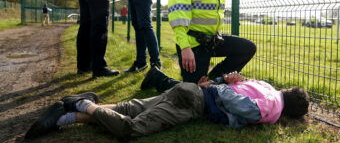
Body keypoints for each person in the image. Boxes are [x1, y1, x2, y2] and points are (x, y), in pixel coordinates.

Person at [24, 69, 309, 140]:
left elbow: (237, 87)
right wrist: (218, 89)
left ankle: (65, 116)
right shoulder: (273, 108)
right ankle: (84, 104)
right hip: (193, 102)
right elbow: (246, 108)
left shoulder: (267, 86)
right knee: (131, 129)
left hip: (188, 90)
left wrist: (216, 84)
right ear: (290, 112)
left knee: (130, 107)